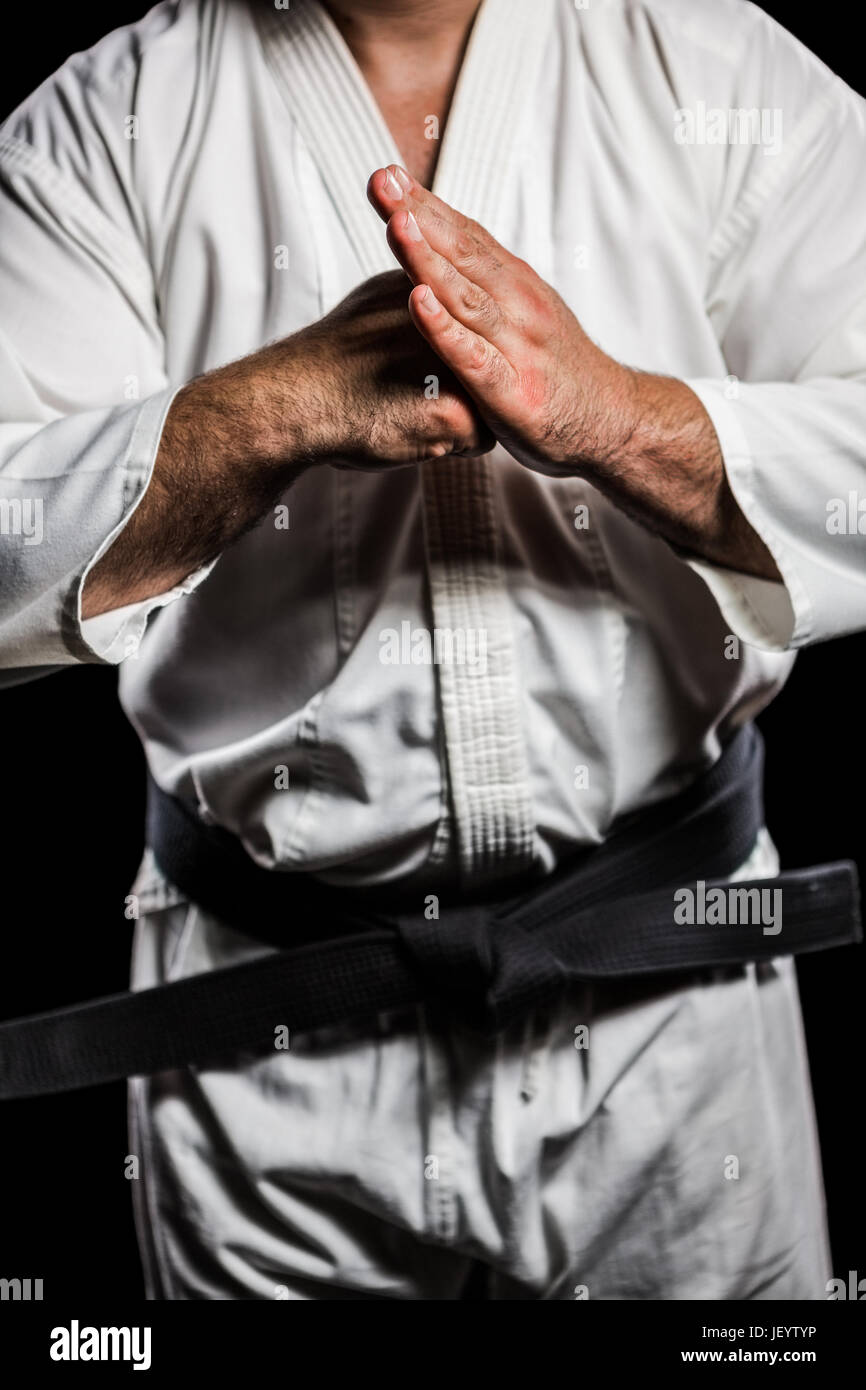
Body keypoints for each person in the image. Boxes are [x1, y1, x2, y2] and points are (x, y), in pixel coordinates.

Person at [0, 0, 863, 1300]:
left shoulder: (716, 62)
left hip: (664, 1003)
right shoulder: (106, 119)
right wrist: (263, 412)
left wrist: (619, 418)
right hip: (268, 1024)